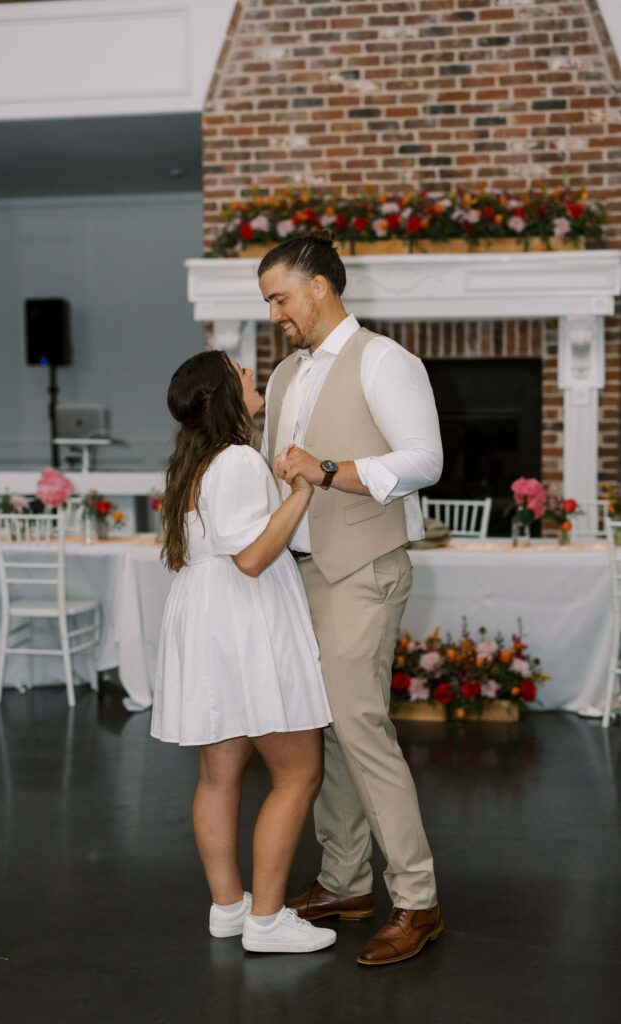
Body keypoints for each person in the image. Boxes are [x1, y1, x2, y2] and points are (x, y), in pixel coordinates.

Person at [258, 230, 445, 967]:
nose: (274, 313)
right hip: (297, 573)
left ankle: (417, 899)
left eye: (280, 297)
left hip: (363, 568)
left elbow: (424, 461)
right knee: (323, 729)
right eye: (268, 301)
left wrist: (330, 468)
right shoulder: (283, 377)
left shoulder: (386, 361)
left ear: (320, 288)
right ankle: (343, 881)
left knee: (360, 730)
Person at [151, 350, 335, 955]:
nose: (253, 377)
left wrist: (280, 489)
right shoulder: (234, 459)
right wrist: (303, 488)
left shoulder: (197, 461)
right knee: (297, 772)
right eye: (242, 373)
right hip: (242, 617)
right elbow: (253, 558)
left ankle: (228, 908)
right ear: (226, 394)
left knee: (218, 772)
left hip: (207, 615)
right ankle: (266, 919)